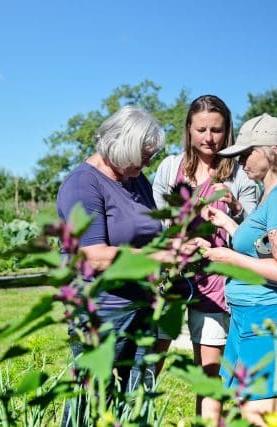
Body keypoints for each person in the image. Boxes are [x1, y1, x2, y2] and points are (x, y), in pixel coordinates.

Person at [199, 113, 277, 427]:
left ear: (270, 151)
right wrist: (227, 223)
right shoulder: (271, 195)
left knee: (256, 417)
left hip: (269, 320)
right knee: (219, 401)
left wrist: (228, 258)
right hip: (248, 315)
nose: (240, 161)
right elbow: (260, 246)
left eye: (246, 153)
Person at [56, 105, 168, 426]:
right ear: (122, 147)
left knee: (132, 401)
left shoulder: (137, 181)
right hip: (103, 310)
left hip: (141, 306)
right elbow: (94, 255)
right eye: (144, 155)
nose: (149, 162)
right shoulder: (83, 185)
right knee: (92, 403)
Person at [151, 94, 258, 422]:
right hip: (172, 279)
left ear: (228, 132)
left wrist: (237, 210)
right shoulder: (171, 168)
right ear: (188, 130)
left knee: (209, 374)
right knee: (150, 361)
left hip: (215, 284)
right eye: (201, 130)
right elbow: (155, 224)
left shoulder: (239, 176)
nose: (209, 138)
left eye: (216, 130)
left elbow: (253, 236)